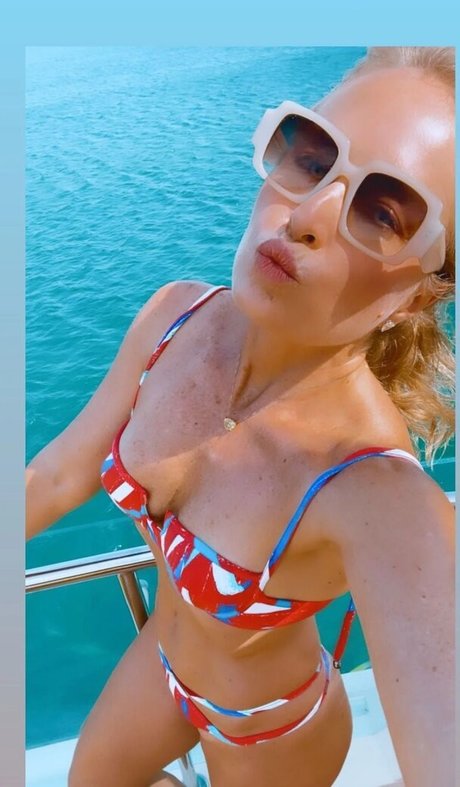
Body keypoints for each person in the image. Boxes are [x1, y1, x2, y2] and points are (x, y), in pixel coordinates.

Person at [26, 46, 455, 787]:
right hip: (159, 661)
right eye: (313, 157)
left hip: (270, 727)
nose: (308, 216)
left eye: (383, 212)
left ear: (417, 294)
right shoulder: (173, 318)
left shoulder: (374, 490)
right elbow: (59, 475)